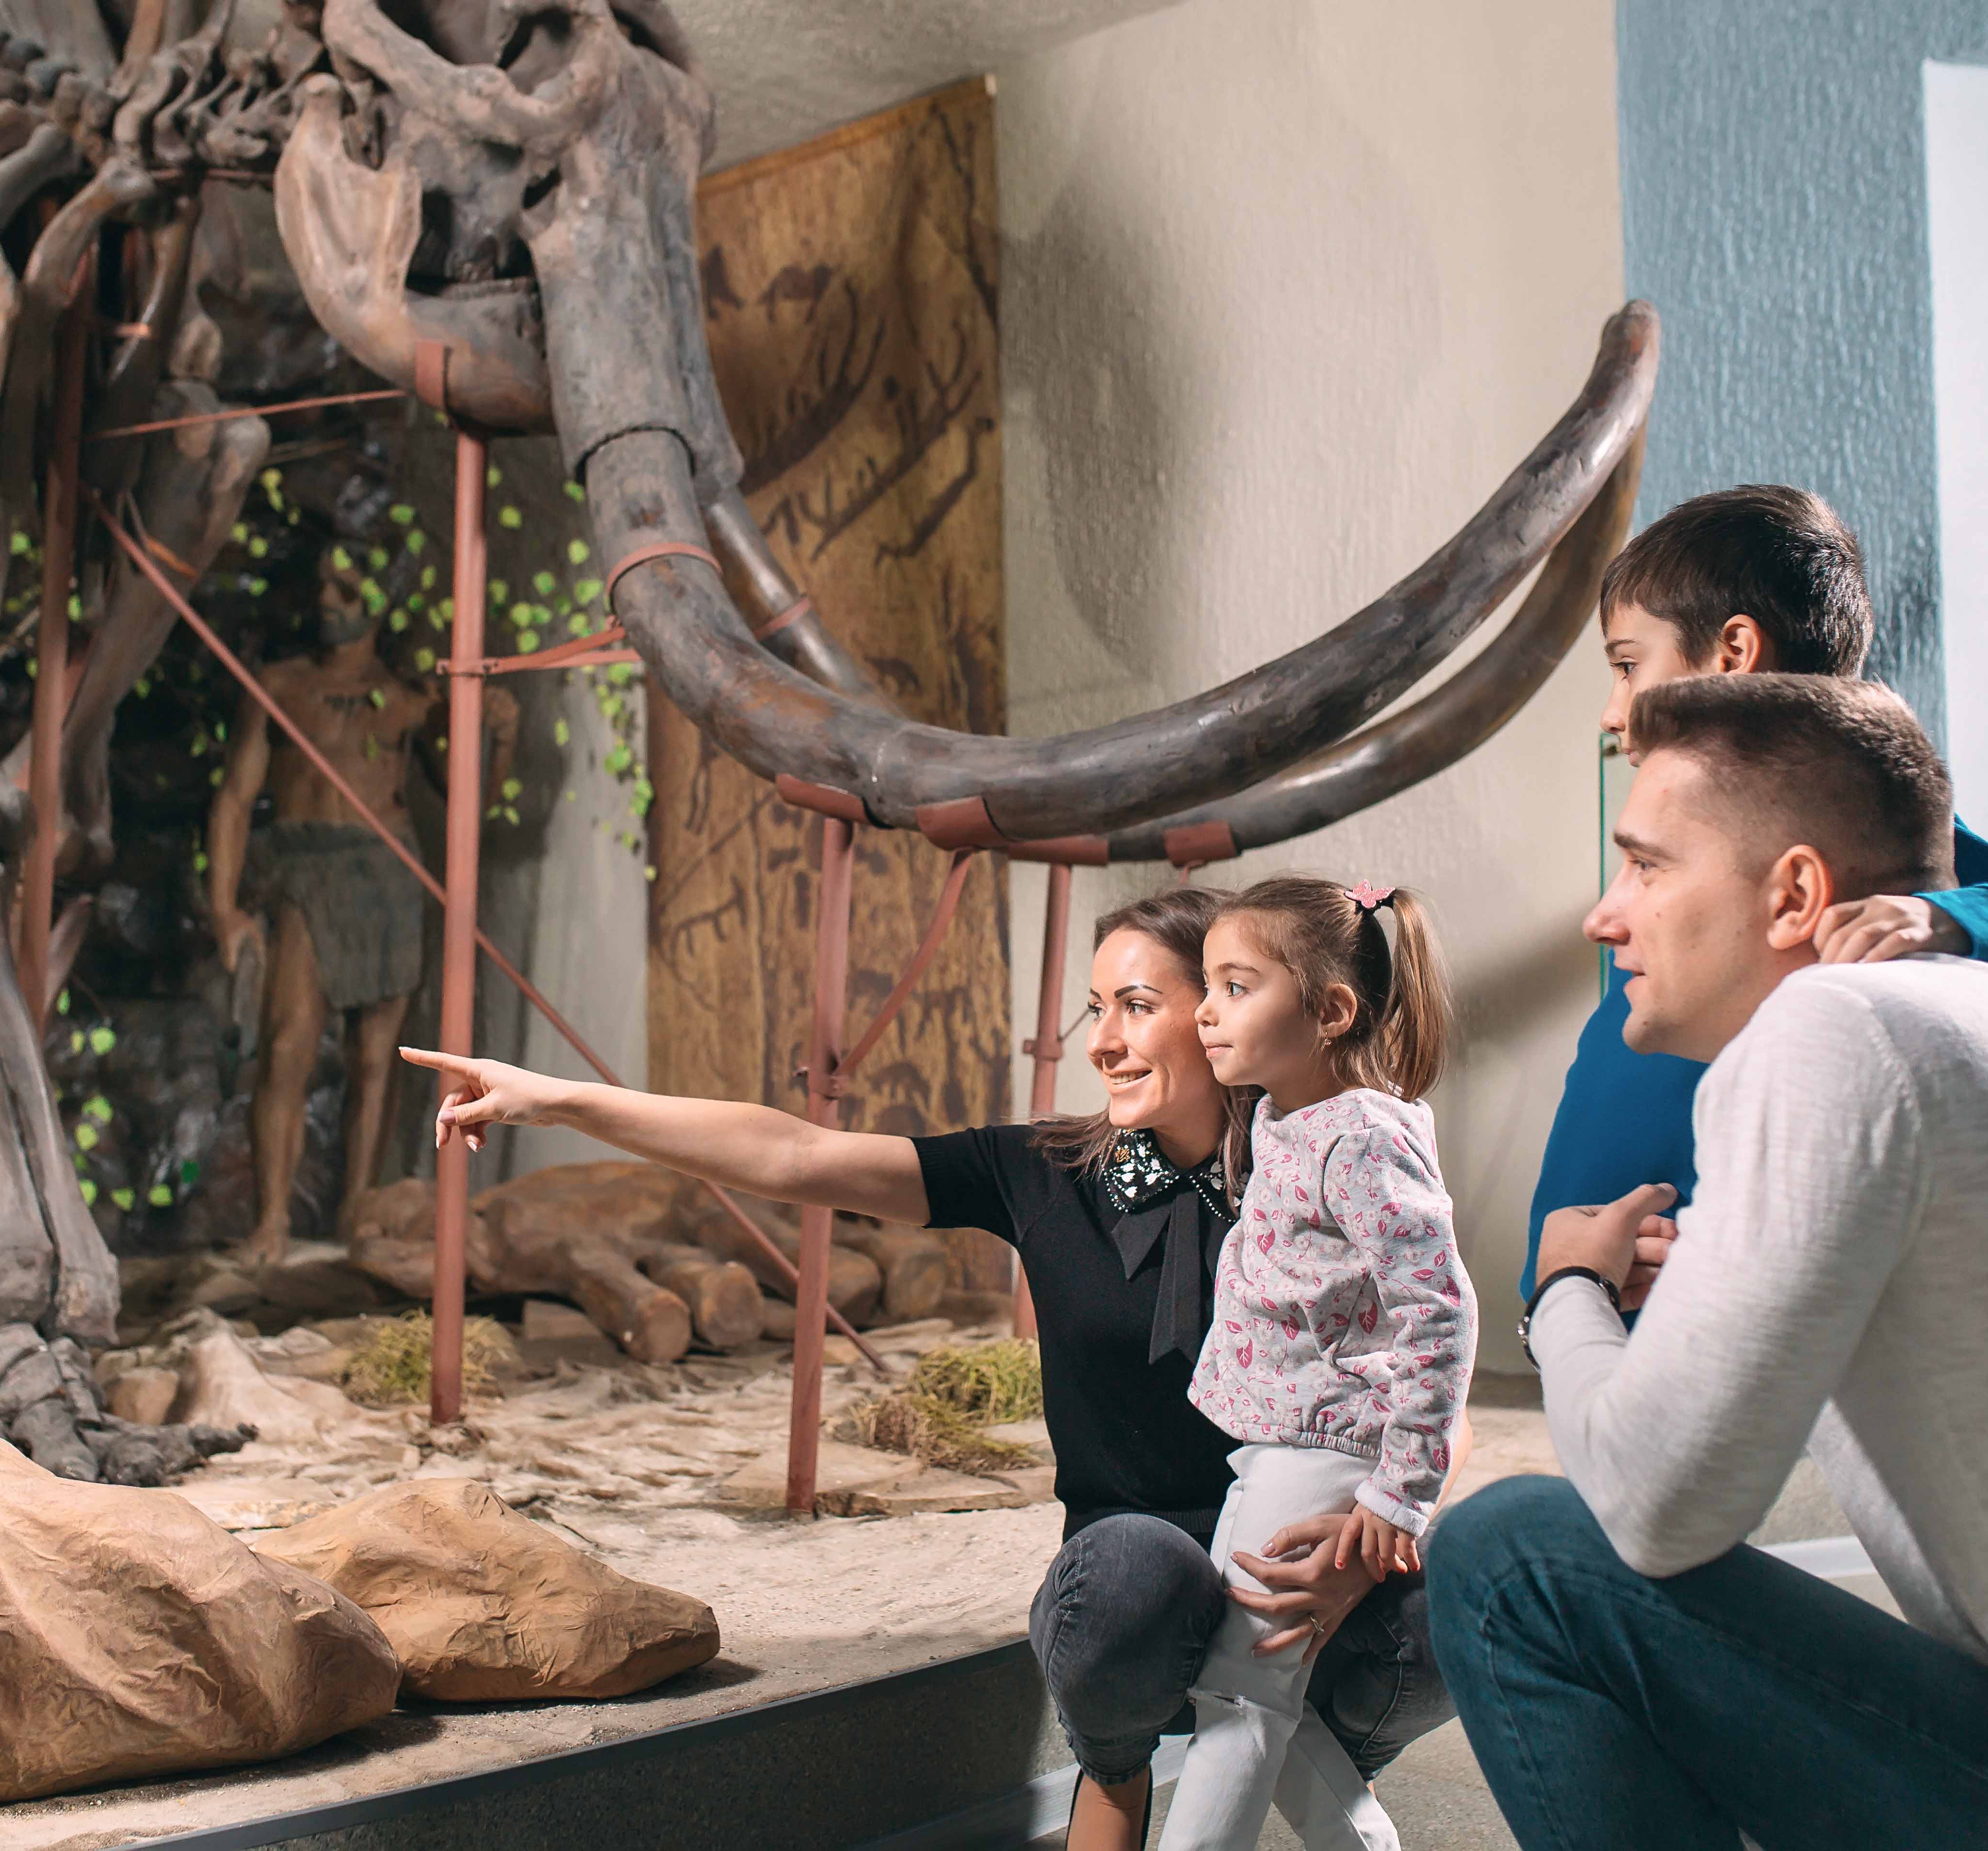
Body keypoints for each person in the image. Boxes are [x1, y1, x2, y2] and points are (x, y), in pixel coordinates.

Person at [1428, 673, 1988, 1851]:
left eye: (1647, 865)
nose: (1603, 914)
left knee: (1511, 1556)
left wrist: (1564, 1288)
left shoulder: (1831, 1029)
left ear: (1794, 894)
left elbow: (1653, 1510)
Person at [400, 889, 1445, 1851]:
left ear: (1236, 1010)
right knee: (1136, 1574)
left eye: (1141, 1004)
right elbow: (796, 1156)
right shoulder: (1043, 1171)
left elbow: (1430, 1359)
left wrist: (1369, 1540)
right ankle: (1119, 1773)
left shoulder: (1320, 1160)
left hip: (1300, 1556)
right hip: (1138, 1582)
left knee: (1454, 1599)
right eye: (1096, 1010)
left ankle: (1327, 1765)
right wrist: (566, 1102)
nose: (1109, 1042)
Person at [1521, 484, 1988, 1299]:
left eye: (1626, 666)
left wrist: (1944, 915)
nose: (1614, 712)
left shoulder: (1882, 844)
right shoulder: (1671, 821)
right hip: (1590, 1301)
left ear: (1732, 652)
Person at [1159, 876, 1471, 1851]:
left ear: (1330, 1011)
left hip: (1325, 1449)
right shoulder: (1281, 1117)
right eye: (1206, 984)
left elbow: (1438, 1310)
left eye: (1237, 986)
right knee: (1248, 1688)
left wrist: (1398, 1493)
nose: (1206, 1012)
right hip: (1280, 1445)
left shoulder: (1362, 1137)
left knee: (1240, 1698)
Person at [206, 550, 516, 1260]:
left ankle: (355, 1218)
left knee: (377, 1060)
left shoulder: (412, 696)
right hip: (304, 868)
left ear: (379, 600)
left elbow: (468, 803)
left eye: (345, 587)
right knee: (286, 1044)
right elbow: (232, 799)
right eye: (321, 583)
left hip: (386, 873)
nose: (328, 598)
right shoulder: (281, 686)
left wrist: (501, 741)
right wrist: (224, 907)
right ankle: (272, 1222)